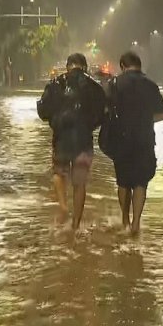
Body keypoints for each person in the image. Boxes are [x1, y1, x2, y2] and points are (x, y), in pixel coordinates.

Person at [37, 53, 105, 229]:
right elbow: (102, 114)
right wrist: (89, 125)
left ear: (68, 66)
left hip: (61, 139)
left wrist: (55, 120)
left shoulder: (55, 84)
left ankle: (63, 205)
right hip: (83, 140)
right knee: (79, 182)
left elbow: (43, 111)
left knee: (59, 173)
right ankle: (75, 224)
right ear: (84, 66)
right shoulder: (94, 86)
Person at [110, 51, 163, 235]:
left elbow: (106, 111)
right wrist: (144, 120)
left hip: (121, 139)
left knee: (123, 182)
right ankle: (136, 223)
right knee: (140, 182)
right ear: (139, 66)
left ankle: (125, 220)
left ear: (122, 66)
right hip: (145, 140)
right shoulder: (151, 85)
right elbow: (162, 115)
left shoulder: (115, 84)